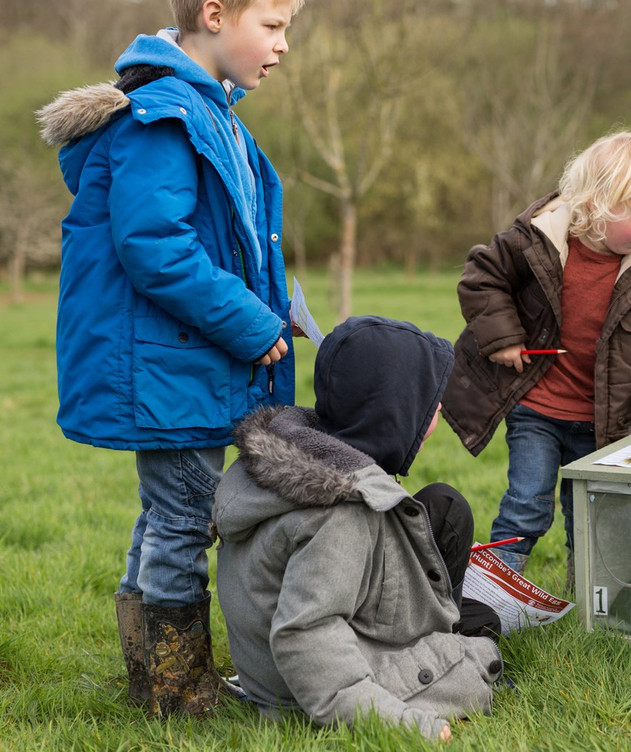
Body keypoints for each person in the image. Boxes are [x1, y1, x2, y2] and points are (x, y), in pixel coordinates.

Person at [36, 0, 303, 717]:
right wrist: (252, 323)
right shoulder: (163, 119)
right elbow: (155, 248)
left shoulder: (205, 112)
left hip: (181, 361)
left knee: (168, 513)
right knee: (187, 515)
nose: (284, 45)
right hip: (167, 364)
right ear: (215, 18)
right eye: (275, 25)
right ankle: (177, 690)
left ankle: (150, 676)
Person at [213, 316, 504, 743]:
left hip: (277, 659)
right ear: (393, 409)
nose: (437, 410)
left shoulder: (304, 453)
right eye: (428, 402)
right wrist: (409, 725)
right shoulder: (341, 512)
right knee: (483, 642)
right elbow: (305, 634)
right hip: (305, 687)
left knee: (442, 508)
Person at [442, 130, 631, 584]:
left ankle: (589, 603)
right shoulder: (536, 242)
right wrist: (503, 337)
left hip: (604, 420)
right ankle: (489, 593)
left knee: (592, 516)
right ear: (595, 204)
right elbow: (480, 277)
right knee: (527, 503)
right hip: (537, 410)